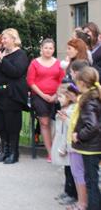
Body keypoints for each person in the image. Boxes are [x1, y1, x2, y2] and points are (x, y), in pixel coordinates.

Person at [0, 28, 29, 164]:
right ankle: (4, 151)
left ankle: (13, 152)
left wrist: (1, 58)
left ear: (13, 39)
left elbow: (15, 72)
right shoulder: (2, 53)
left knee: (11, 125)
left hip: (11, 95)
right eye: (3, 39)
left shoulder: (20, 55)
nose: (3, 41)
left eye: (5, 38)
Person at [27, 39, 65, 162]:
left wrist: (55, 95)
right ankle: (50, 152)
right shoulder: (34, 63)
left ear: (53, 50)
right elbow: (30, 81)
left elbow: (62, 80)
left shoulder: (58, 63)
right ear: (41, 48)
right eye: (46, 48)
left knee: (58, 123)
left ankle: (57, 149)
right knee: (44, 122)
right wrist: (43, 95)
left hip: (56, 96)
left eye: (51, 48)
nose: (48, 50)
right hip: (39, 96)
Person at [71, 66, 101, 210]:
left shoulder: (89, 100)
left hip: (91, 148)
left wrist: (78, 135)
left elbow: (92, 125)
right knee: (92, 180)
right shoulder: (94, 96)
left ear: (82, 83)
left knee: (91, 181)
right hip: (93, 146)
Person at [52, 83, 79, 207]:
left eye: (61, 97)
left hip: (68, 146)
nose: (58, 99)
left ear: (68, 97)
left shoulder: (72, 110)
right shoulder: (64, 109)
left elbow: (71, 128)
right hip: (63, 143)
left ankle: (72, 194)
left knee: (71, 172)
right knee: (67, 170)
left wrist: (64, 119)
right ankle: (67, 191)